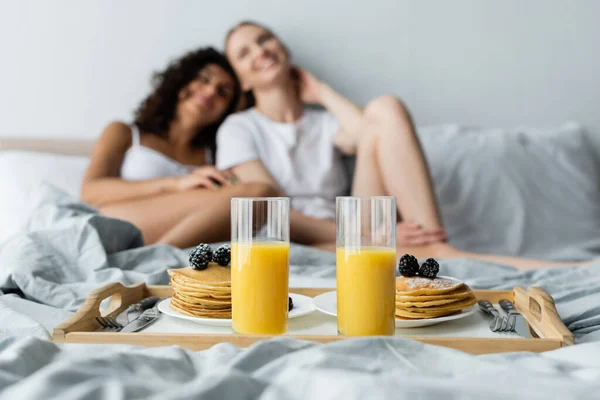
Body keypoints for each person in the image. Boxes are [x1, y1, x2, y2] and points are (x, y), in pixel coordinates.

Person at [217, 21, 588, 269]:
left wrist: (322, 92)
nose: (260, 51)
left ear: (282, 48)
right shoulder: (237, 128)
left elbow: (379, 138)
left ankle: (435, 245)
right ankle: (446, 255)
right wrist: (367, 236)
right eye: (244, 53)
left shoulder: (324, 122)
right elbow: (271, 212)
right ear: (242, 81)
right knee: (415, 248)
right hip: (301, 242)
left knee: (385, 106)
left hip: (355, 228)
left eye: (264, 39)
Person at [81, 47, 277, 249]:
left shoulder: (215, 155)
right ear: (181, 82)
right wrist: (177, 184)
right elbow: (90, 191)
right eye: (203, 79)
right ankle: (155, 259)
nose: (210, 92)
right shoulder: (124, 132)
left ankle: (158, 258)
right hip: (118, 221)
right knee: (259, 191)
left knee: (260, 194)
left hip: (181, 233)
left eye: (223, 92)